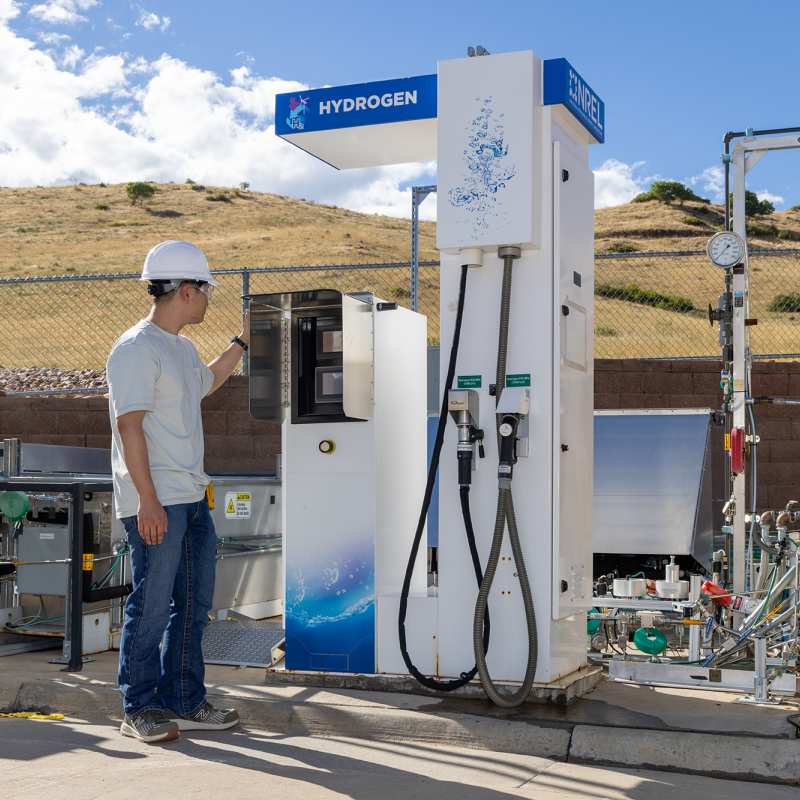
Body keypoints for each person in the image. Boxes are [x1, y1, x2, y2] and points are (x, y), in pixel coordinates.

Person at [107, 240, 250, 743]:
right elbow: (130, 427)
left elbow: (206, 382)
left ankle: (185, 700)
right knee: (150, 605)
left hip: (190, 499)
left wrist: (243, 341)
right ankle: (139, 707)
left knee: (192, 605)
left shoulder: (181, 348)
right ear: (186, 291)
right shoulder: (135, 348)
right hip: (157, 499)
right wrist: (146, 499)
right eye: (207, 289)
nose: (210, 297)